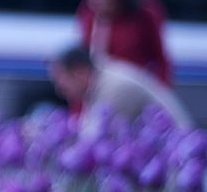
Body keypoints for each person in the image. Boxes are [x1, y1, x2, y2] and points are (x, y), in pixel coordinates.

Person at [50, 46, 192, 137]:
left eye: (60, 80)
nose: (59, 88)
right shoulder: (98, 81)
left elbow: (96, 138)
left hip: (177, 152)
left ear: (79, 73)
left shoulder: (115, 87)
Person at [76, 0, 172, 85]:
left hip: (133, 86)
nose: (95, 0)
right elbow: (85, 56)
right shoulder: (89, 13)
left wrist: (158, 92)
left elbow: (160, 60)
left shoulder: (144, 14)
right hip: (99, 87)